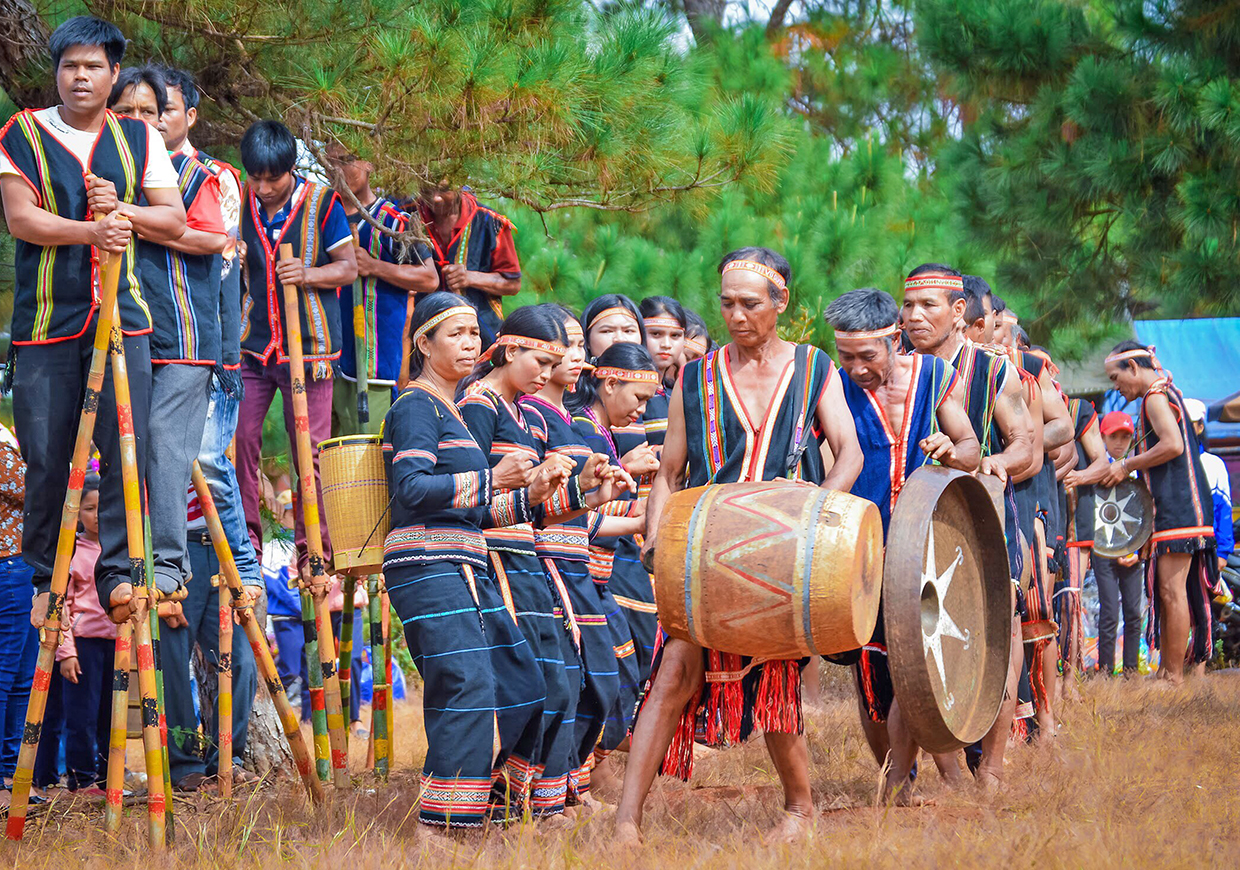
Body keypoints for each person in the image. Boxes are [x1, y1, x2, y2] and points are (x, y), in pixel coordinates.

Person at [615, 247, 864, 844]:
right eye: (726, 303)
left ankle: (801, 807)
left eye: (750, 303)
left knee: (774, 674)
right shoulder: (696, 378)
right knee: (674, 670)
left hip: (781, 554)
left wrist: (811, 524)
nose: (736, 315)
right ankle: (627, 822)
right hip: (705, 551)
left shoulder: (813, 368)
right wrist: (655, 536)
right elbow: (670, 472)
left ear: (781, 303)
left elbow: (848, 453)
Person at [2, 16, 185, 630]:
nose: (81, 76)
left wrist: (122, 210)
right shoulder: (21, 133)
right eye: (70, 66)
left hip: (122, 315)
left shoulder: (139, 137)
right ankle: (45, 577)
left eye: (93, 66)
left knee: (124, 444)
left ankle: (119, 572)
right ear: (56, 72)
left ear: (113, 74)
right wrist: (91, 229)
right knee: (48, 453)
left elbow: (174, 220)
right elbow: (22, 220)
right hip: (46, 323)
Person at [381, 291, 547, 828]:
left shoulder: (450, 406)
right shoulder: (415, 405)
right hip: (425, 564)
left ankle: (489, 804)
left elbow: (478, 509)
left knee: (521, 682)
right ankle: (445, 829)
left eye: (475, 333)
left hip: (465, 563)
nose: (470, 343)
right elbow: (410, 487)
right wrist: (491, 477)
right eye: (455, 334)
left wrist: (552, 493)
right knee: (465, 682)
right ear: (423, 344)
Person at [459, 305, 619, 819]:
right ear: (509, 351)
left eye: (555, 364)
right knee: (534, 684)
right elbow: (475, 493)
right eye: (541, 361)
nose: (548, 375)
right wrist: (529, 483)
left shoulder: (524, 414)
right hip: (498, 559)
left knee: (561, 682)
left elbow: (538, 508)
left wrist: (585, 489)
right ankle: (508, 802)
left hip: (527, 553)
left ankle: (535, 804)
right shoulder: (479, 405)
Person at [826, 288, 980, 803]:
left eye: (866, 355)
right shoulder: (831, 386)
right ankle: (898, 780)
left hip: (926, 545)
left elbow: (972, 448)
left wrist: (950, 449)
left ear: (894, 339)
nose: (856, 367)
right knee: (873, 671)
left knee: (917, 663)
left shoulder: (934, 376)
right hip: (860, 546)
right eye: (845, 356)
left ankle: (917, 782)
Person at [901, 265, 1036, 787]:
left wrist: (1000, 461)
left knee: (1001, 629)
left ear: (960, 311)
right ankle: (950, 770)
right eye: (908, 307)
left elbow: (1024, 439)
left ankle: (994, 766)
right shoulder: (898, 367)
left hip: (985, 513)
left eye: (928, 306)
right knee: (918, 638)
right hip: (914, 523)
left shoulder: (993, 368)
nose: (914, 317)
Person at [109, 66, 225, 606]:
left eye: (147, 112)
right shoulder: (104, 165)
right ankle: (125, 560)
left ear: (166, 119)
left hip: (182, 331)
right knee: (122, 443)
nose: (136, 120)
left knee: (166, 447)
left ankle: (169, 564)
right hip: (122, 329)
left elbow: (209, 237)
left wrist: (132, 216)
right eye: (125, 110)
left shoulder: (191, 171)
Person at [520, 306, 637, 807]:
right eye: (558, 346)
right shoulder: (526, 414)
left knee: (600, 681)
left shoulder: (566, 416)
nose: (571, 357)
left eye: (574, 346)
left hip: (576, 565)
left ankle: (571, 788)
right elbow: (539, 505)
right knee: (568, 682)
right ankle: (537, 795)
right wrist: (634, 515)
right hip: (547, 565)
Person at [158, 66, 265, 598]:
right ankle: (168, 566)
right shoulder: (128, 171)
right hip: (149, 340)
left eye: (165, 110)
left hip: (208, 340)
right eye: (141, 111)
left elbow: (222, 259)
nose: (153, 121)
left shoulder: (213, 175)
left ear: (190, 116)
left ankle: (245, 565)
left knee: (205, 458)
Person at [234, 120, 357, 577]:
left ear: (291, 169)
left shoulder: (324, 202)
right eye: (256, 177)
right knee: (240, 441)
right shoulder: (239, 197)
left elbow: (347, 268)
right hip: (254, 344)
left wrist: (307, 274)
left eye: (273, 178)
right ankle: (246, 541)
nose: (264, 187)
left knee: (311, 450)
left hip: (311, 349)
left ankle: (313, 550)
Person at [1102, 341, 1215, 683]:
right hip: (1179, 504)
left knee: (1171, 591)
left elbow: (1173, 445)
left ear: (1133, 368)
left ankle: (1174, 675)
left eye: (1115, 378)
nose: (1116, 387)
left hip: (1180, 505)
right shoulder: (1161, 391)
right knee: (1168, 592)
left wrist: (1127, 466)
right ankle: (1167, 669)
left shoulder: (1154, 396)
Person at [326, 145, 438, 434]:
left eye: (348, 160)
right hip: (323, 357)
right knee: (320, 453)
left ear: (370, 163)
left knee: (366, 453)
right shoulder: (322, 214)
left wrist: (375, 267)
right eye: (332, 161)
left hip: (372, 362)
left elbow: (429, 278)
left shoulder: (393, 220)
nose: (339, 169)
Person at [578, 296, 660, 682]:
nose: (643, 410)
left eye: (628, 331)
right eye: (606, 331)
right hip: (587, 563)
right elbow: (577, 507)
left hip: (611, 553)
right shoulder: (579, 426)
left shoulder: (603, 427)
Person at [417, 182, 521, 345]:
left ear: (460, 182)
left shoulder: (491, 221)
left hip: (482, 336)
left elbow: (513, 283)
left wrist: (469, 277)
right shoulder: (406, 214)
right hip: (423, 336)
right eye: (427, 189)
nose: (435, 198)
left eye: (445, 190)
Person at [1082, 412, 1146, 675]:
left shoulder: (1139, 469)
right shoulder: (1096, 468)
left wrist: (1138, 548)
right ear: (1103, 438)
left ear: (1132, 439)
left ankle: (1131, 669)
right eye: (1113, 436)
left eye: (1125, 436)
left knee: (1133, 612)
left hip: (1132, 549)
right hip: (1102, 549)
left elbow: (1146, 513)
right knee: (1108, 611)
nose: (1119, 442)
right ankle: (1105, 671)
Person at [0, 424, 36, 805]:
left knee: (23, 679)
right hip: (9, 566)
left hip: (23, 567)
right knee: (5, 676)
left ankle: (12, 775)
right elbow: (34, 490)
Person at [1185, 398, 1234, 574]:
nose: (1186, 429)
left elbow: (1224, 510)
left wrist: (1222, 552)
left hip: (1208, 551)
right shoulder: (1166, 464)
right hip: (1175, 551)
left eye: (1190, 424)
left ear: (1200, 426)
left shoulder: (1214, 464)